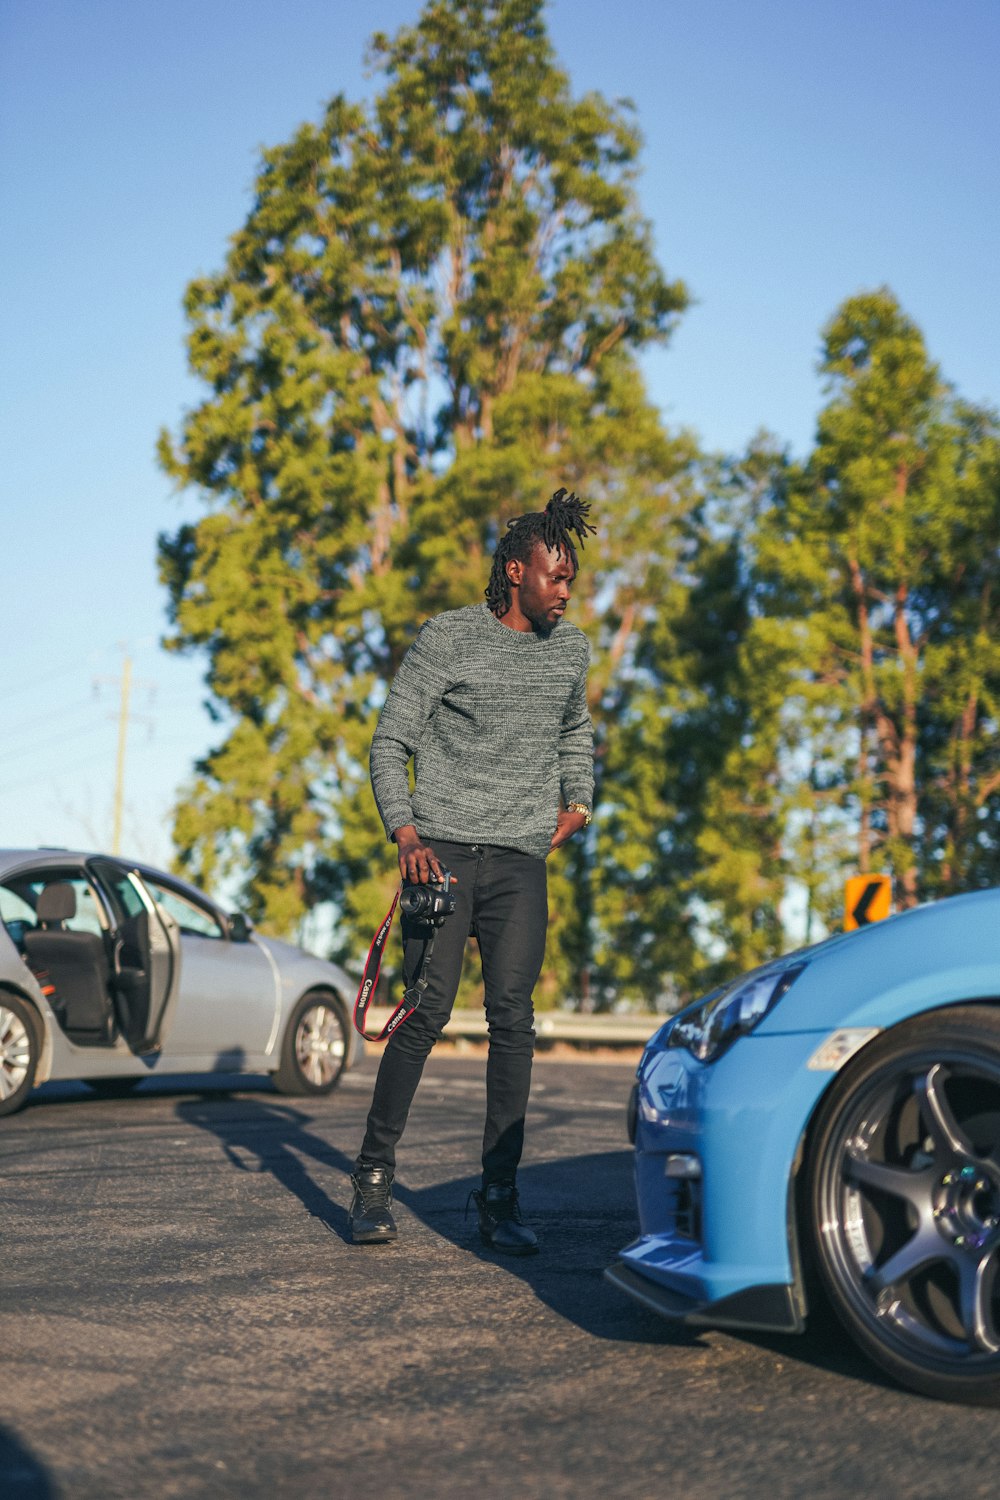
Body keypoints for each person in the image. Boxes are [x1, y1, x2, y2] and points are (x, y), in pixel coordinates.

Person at [349, 489, 596, 1254]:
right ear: (517, 571)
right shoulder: (448, 639)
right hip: (443, 855)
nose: (566, 591)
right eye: (556, 577)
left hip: (521, 862)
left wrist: (579, 801)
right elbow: (390, 743)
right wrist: (405, 833)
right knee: (424, 1016)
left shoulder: (572, 651)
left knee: (513, 1024)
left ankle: (499, 1198)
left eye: (572, 580)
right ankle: (372, 1181)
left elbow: (574, 730)